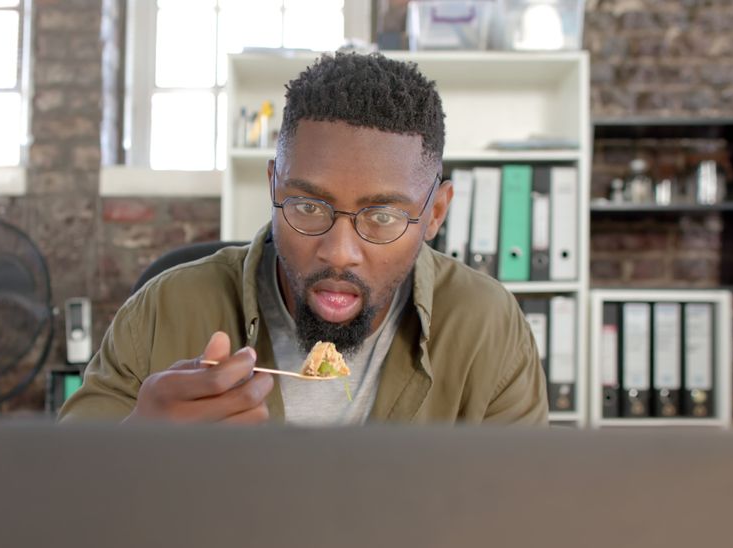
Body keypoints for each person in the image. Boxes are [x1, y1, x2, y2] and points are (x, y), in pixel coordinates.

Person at [60, 52, 548, 425]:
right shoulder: (163, 311)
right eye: (308, 207)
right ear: (274, 186)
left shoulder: (489, 328)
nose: (338, 252)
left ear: (435, 213)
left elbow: (527, 527)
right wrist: (135, 445)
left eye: (381, 216)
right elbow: (56, 505)